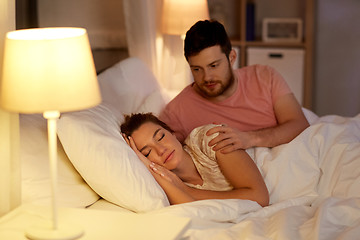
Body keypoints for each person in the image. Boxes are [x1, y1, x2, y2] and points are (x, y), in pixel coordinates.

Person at [159, 20, 309, 153]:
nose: (207, 77)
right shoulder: (176, 112)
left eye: (214, 65)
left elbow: (299, 125)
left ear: (231, 58)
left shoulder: (264, 76)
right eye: (197, 69)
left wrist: (249, 139)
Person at [120, 112, 269, 207]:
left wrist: (186, 190)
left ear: (172, 133)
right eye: (147, 153)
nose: (161, 150)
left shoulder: (210, 139)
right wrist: (147, 165)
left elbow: (260, 197)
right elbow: (196, 215)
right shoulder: (166, 185)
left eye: (161, 137)